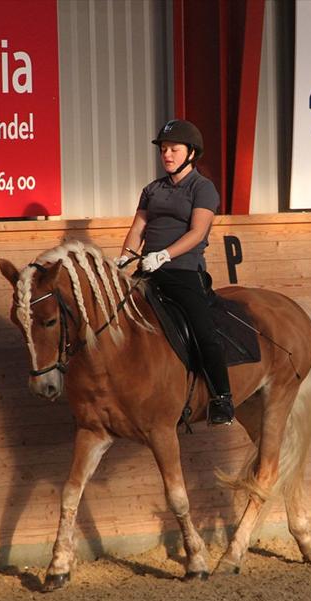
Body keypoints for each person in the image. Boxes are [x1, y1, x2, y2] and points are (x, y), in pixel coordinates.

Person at [120, 119, 234, 426]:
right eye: (164, 150)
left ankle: (221, 397)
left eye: (174, 149)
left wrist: (164, 255)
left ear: (191, 153)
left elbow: (198, 232)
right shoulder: (151, 190)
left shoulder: (203, 188)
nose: (167, 155)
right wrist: (123, 260)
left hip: (183, 271)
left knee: (203, 331)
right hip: (147, 270)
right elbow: (137, 230)